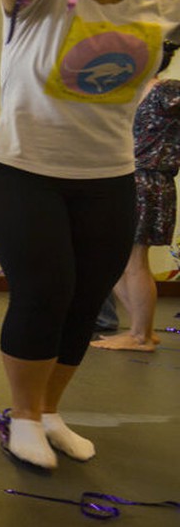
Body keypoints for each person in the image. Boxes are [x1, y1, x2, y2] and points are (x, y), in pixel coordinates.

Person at [0, 0, 180, 469]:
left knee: (85, 301)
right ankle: (22, 417)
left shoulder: (160, 1)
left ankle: (48, 413)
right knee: (46, 291)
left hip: (108, 178)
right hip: (21, 170)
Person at [92, 40, 180, 353]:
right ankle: (142, 329)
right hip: (133, 177)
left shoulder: (164, 89)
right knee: (117, 260)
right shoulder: (136, 95)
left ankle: (141, 335)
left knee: (133, 260)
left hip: (148, 179)